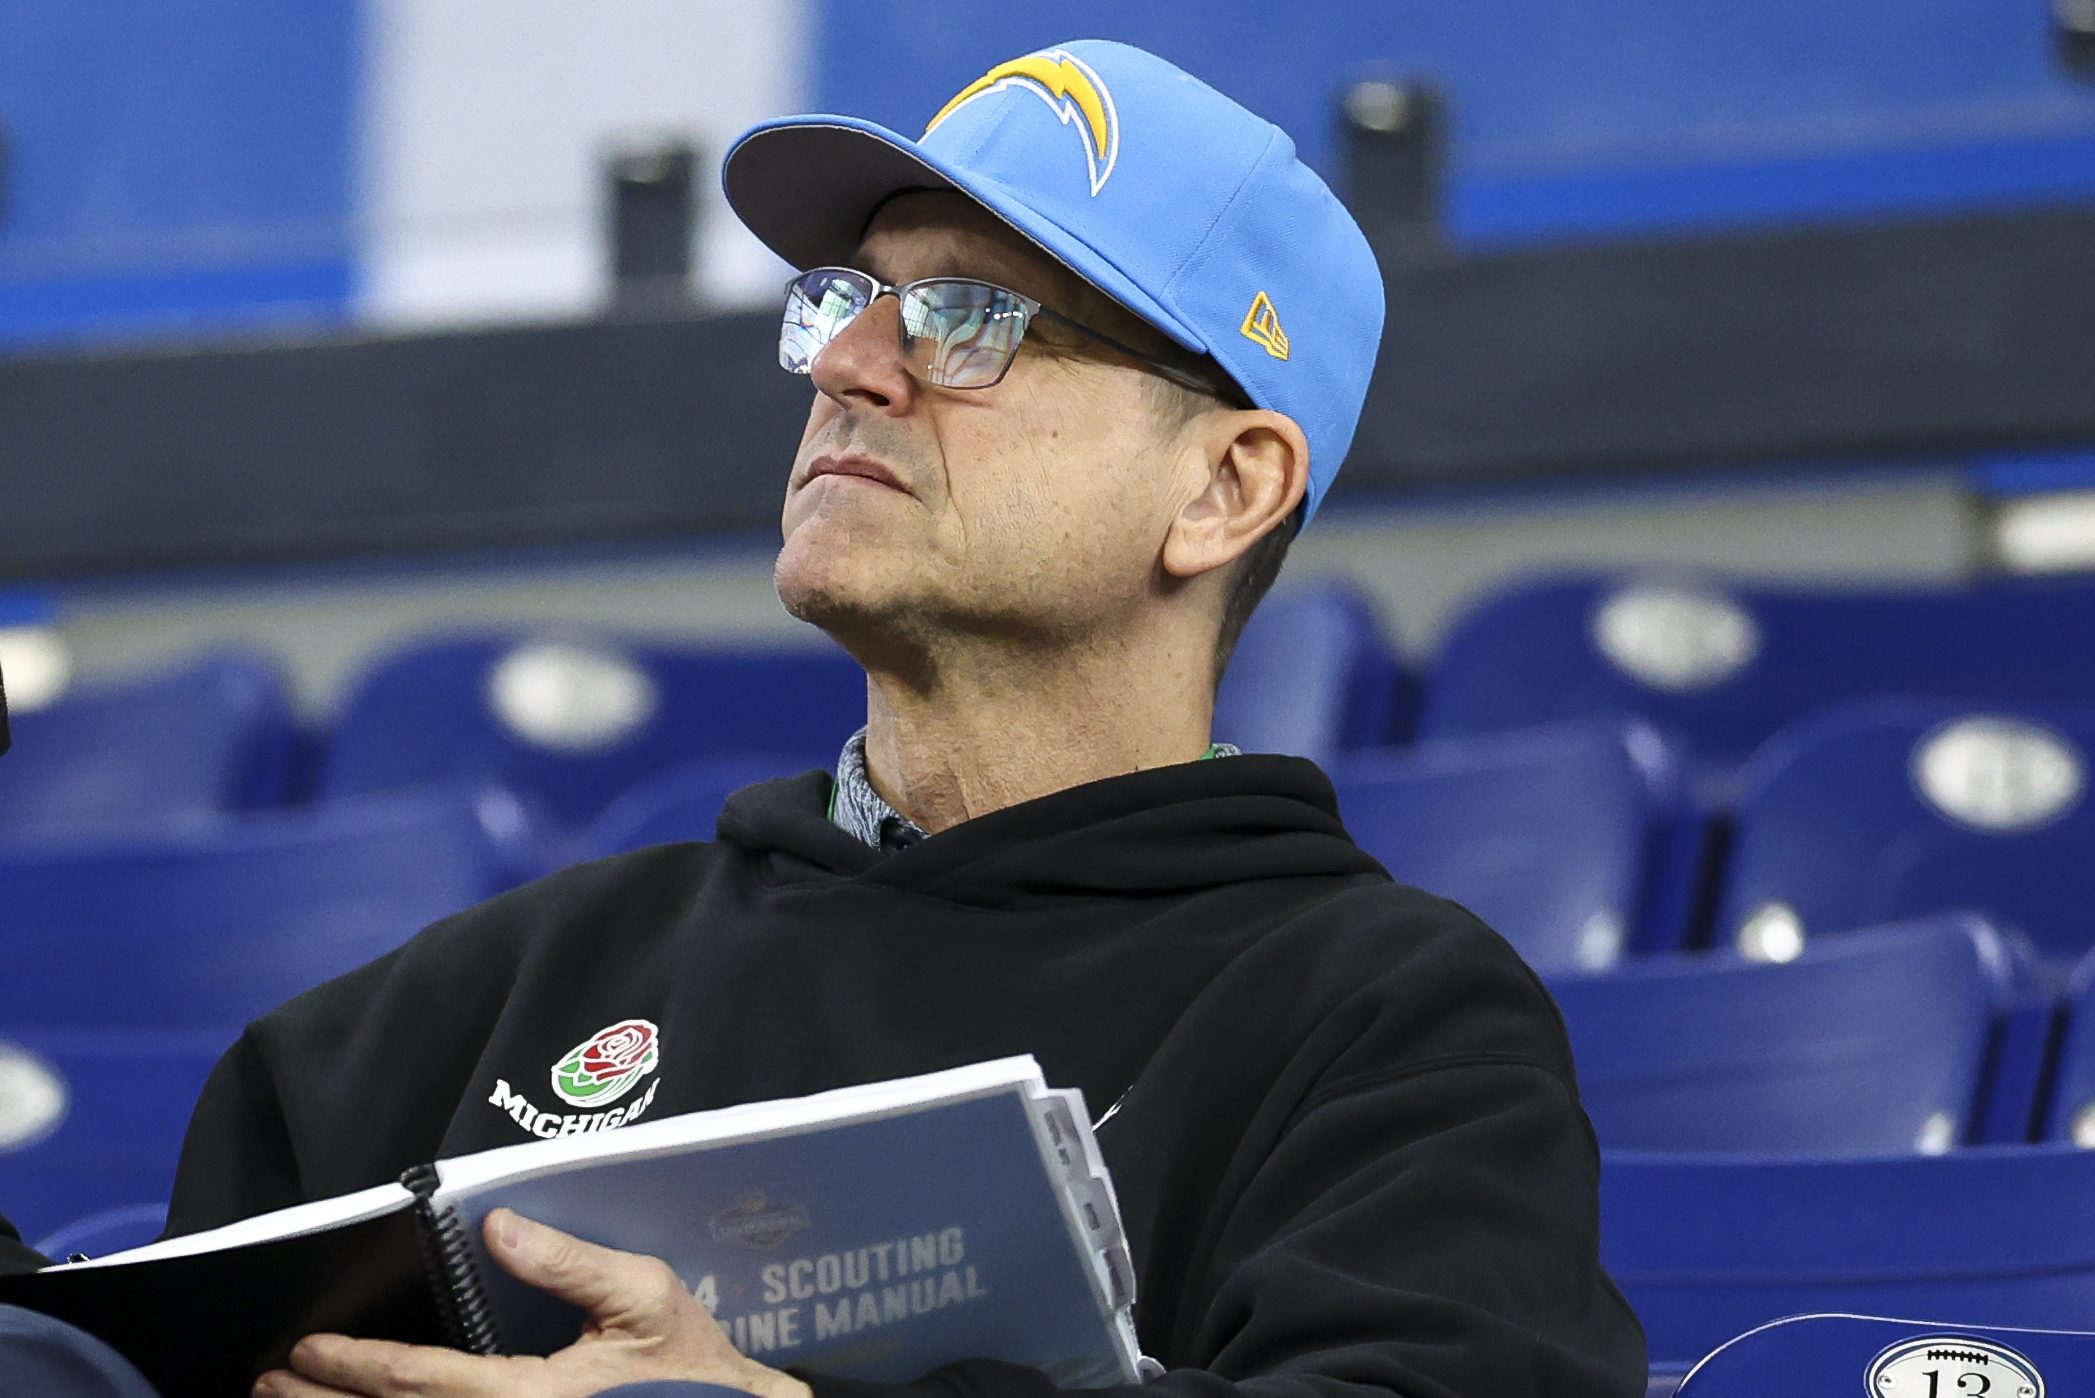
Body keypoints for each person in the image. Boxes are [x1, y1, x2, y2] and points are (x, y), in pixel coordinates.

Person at [152, 39, 1643, 1398]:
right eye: (848, 302)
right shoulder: (495, 992)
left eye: (970, 318)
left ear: (1222, 487)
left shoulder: (1393, 1027)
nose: (850, 365)